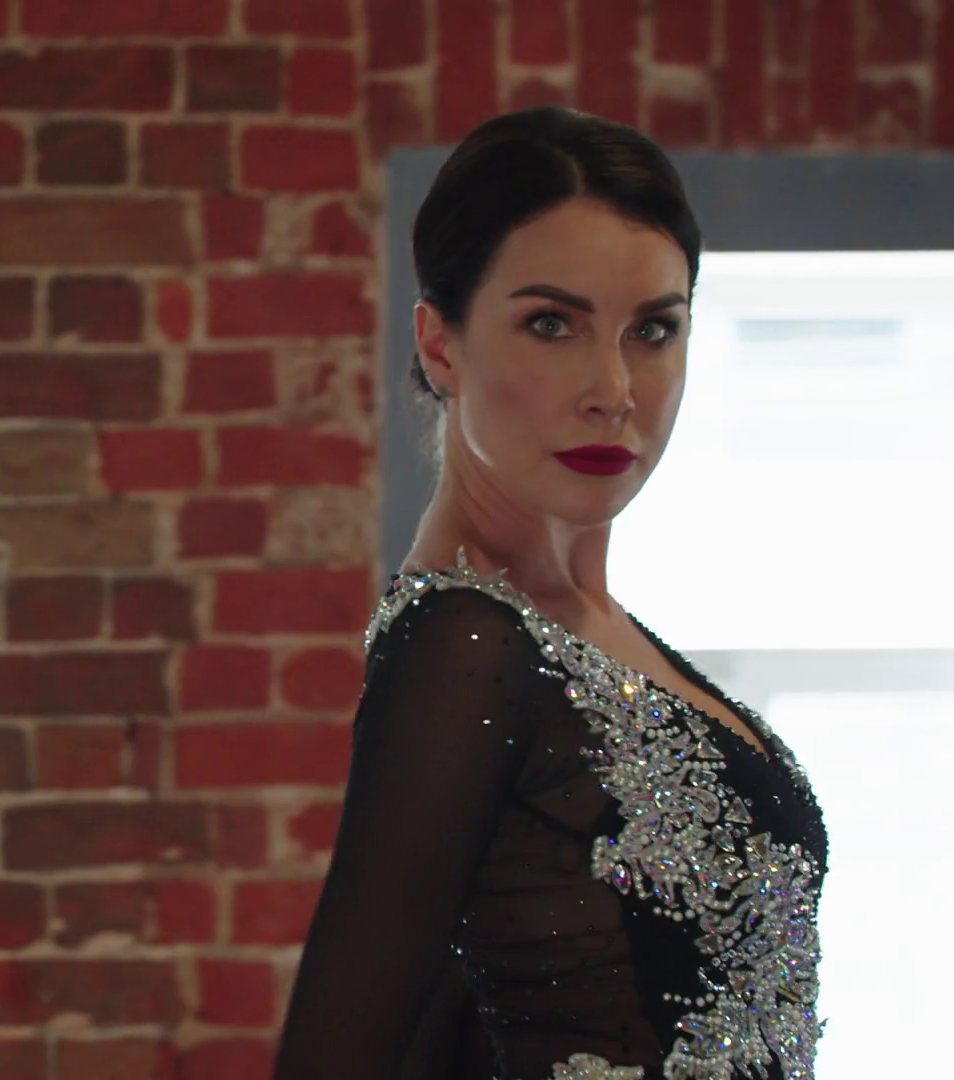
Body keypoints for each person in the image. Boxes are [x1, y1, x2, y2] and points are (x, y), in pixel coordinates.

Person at [271, 106, 830, 1080]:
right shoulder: (466, 648)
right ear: (441, 345)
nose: (613, 388)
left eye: (652, 329)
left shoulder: (585, 634)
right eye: (551, 325)